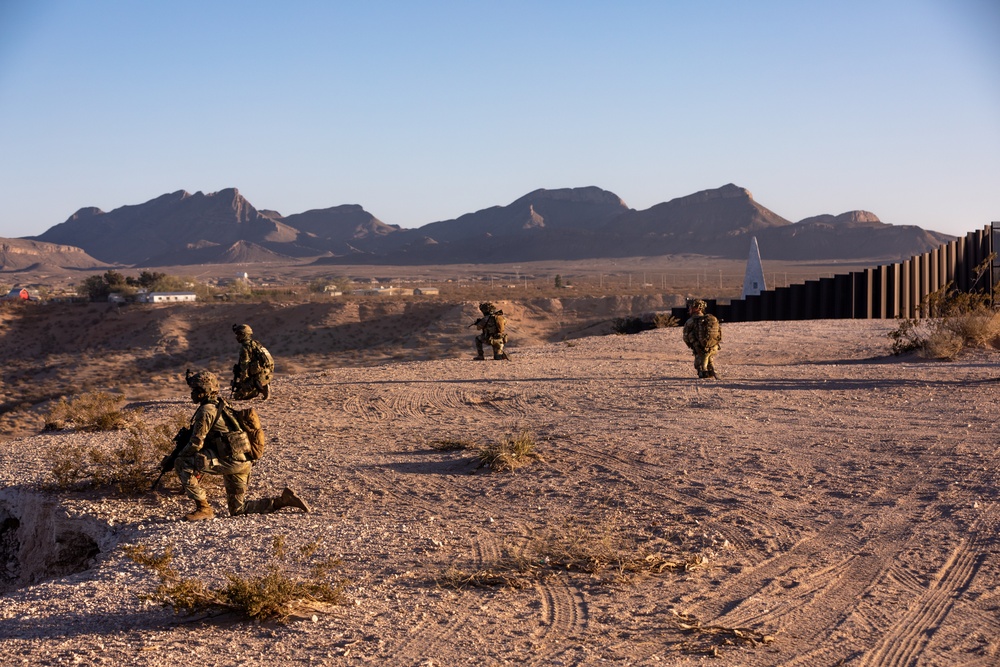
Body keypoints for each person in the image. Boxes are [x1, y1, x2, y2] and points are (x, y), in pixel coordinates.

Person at [173, 370, 309, 521]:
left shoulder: (206, 411)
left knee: (182, 462)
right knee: (238, 510)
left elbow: (196, 443)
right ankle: (283, 501)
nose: (192, 393)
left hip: (230, 460)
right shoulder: (222, 405)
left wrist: (179, 456)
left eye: (195, 390)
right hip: (243, 460)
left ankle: (204, 508)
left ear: (204, 390)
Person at [231, 323, 274, 400]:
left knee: (238, 396)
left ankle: (261, 389)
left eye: (239, 335)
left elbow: (245, 367)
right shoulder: (256, 344)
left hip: (258, 377)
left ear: (244, 335)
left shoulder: (245, 348)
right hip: (266, 374)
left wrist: (242, 382)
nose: (237, 337)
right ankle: (262, 385)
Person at [682, 299, 722, 379]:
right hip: (713, 347)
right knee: (709, 358)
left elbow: (685, 336)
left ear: (697, 308)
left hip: (700, 348)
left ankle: (704, 371)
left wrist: (692, 345)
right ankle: (710, 370)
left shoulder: (691, 321)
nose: (689, 309)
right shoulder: (710, 319)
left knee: (699, 365)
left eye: (691, 307)